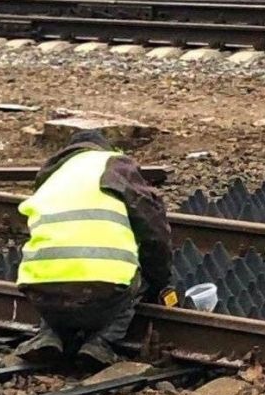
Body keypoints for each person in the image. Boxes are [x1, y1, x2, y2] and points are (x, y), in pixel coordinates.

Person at [15, 129, 172, 368]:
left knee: (57, 268)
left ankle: (49, 335)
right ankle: (102, 343)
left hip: (40, 294)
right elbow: (153, 233)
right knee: (140, 276)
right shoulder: (114, 166)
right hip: (104, 295)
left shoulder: (51, 177)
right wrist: (161, 281)